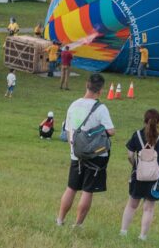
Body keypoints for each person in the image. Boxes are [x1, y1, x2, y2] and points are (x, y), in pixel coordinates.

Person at [56, 73, 115, 228]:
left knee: (71, 188)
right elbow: (111, 131)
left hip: (76, 153)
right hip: (95, 155)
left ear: (86, 85)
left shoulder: (74, 105)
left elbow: (69, 130)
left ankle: (60, 220)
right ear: (101, 90)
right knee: (87, 191)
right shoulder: (101, 108)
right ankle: (77, 224)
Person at [121, 108, 159, 240]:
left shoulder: (137, 135)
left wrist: (135, 165)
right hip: (154, 178)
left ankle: (123, 232)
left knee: (132, 205)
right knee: (148, 208)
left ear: (144, 121)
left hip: (138, 175)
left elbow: (130, 155)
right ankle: (142, 236)